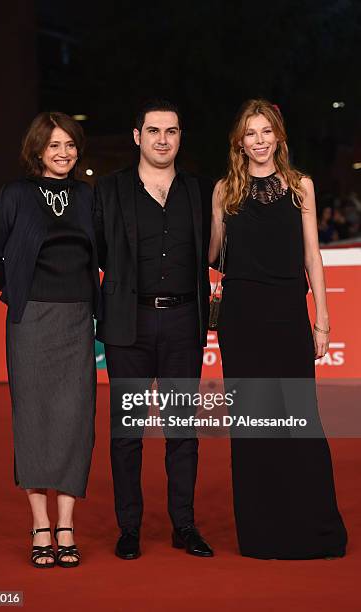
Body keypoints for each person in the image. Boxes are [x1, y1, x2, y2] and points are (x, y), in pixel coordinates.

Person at [209, 98, 347, 560]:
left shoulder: (300, 186)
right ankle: (263, 534)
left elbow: (313, 256)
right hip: (242, 318)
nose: (260, 140)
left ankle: (315, 531)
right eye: (251, 133)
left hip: (289, 314)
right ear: (240, 142)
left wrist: (322, 321)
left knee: (300, 421)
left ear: (279, 136)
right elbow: (213, 254)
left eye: (266, 131)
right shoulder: (225, 190)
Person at [0, 112, 101, 568]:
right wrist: (12, 293)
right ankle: (40, 525)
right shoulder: (16, 194)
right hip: (30, 321)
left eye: (70, 145)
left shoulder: (87, 196)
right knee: (32, 419)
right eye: (54, 145)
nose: (63, 153)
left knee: (75, 420)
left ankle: (67, 524)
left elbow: (103, 251)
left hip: (77, 320)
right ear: (37, 150)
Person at [94, 99, 214, 559]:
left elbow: (218, 249)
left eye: (172, 131)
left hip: (185, 322)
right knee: (127, 432)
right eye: (154, 131)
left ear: (180, 137)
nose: (163, 139)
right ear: (136, 136)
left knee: (183, 430)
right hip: (129, 323)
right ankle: (130, 528)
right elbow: (96, 253)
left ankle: (184, 525)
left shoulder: (200, 191)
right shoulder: (108, 191)